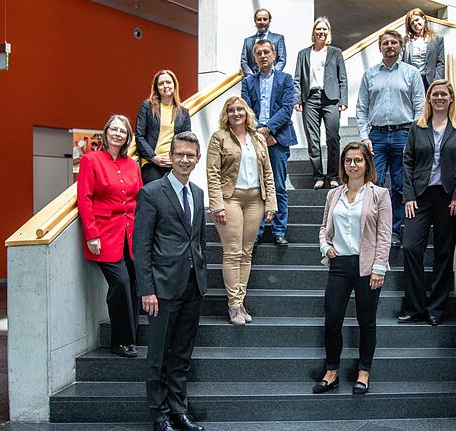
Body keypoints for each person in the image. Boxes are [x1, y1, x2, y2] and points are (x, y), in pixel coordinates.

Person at [133, 131, 207, 431]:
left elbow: (199, 239)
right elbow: (141, 246)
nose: (185, 159)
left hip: (192, 286)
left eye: (190, 155)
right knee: (159, 355)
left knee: (181, 354)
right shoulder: (151, 192)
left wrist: (201, 274)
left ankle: (178, 410)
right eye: (180, 154)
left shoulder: (198, 193)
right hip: (162, 289)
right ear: (171, 157)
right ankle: (159, 415)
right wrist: (147, 289)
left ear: (197, 159)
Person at [314, 142, 392, 396]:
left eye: (358, 160)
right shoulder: (333, 194)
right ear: (343, 164)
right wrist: (326, 247)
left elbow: (384, 234)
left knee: (366, 321)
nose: (353, 165)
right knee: (332, 319)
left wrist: (379, 267)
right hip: (339, 264)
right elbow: (324, 227)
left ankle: (364, 372)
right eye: (348, 160)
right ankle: (331, 371)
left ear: (367, 163)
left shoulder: (379, 194)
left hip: (367, 266)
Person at [400, 79, 456, 326]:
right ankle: (415, 307)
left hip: (448, 197)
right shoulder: (417, 127)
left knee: (444, 252)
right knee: (411, 248)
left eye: (444, 94)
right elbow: (407, 163)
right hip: (420, 197)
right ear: (429, 98)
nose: (440, 97)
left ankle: (437, 308)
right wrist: (409, 196)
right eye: (435, 94)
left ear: (451, 97)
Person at [76, 114, 143, 358]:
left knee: (135, 284)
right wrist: (91, 235)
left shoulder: (133, 164)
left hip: (132, 233)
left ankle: (132, 336)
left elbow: (140, 199)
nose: (117, 134)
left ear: (127, 137)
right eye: (113, 129)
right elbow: (84, 198)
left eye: (122, 131)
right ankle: (121, 340)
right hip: (104, 235)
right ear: (105, 133)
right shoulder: (90, 160)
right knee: (121, 283)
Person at [207, 96, 277, 326]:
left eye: (240, 109)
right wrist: (216, 204)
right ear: (226, 114)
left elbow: (268, 172)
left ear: (247, 112)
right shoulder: (219, 138)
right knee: (233, 251)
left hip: (256, 199)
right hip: (230, 199)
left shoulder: (258, 138)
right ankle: (234, 305)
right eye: (231, 110)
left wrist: (272, 203)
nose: (236, 113)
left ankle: (240, 301)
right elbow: (213, 173)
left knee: (246, 252)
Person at [356, 29, 424, 247]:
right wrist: (364, 136)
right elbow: (361, 108)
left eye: (394, 42)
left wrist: (413, 137)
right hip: (376, 136)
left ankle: (393, 231)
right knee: (372, 184)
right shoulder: (370, 74)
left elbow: (420, 107)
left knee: (399, 186)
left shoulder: (411, 73)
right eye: (385, 43)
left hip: (403, 134)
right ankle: (371, 230)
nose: (390, 46)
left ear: (400, 46)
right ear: (380, 47)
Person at [241, 38, 297, 247]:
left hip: (278, 139)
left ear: (274, 55)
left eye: (267, 52)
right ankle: (257, 231)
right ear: (254, 58)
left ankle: (279, 231)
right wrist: (259, 133)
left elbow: (287, 108)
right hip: (254, 140)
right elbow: (245, 110)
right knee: (256, 187)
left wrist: (269, 129)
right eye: (259, 53)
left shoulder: (286, 79)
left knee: (279, 187)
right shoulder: (247, 82)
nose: (263, 56)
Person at [294, 16, 348, 190]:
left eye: (325, 29)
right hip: (310, 98)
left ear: (328, 32)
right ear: (313, 32)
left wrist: (343, 99)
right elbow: (297, 79)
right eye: (318, 29)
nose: (321, 32)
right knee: (313, 139)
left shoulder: (335, 52)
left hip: (331, 99)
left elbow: (343, 78)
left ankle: (333, 175)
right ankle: (318, 175)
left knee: (333, 137)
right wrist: (297, 99)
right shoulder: (303, 54)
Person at [135, 69, 192, 184]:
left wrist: (175, 159)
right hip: (151, 163)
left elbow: (186, 140)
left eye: (168, 82)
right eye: (161, 83)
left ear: (174, 85)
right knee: (156, 197)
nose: (165, 86)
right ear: (156, 87)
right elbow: (139, 136)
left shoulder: (184, 112)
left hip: (175, 164)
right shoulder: (147, 107)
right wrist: (154, 157)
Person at [402, 8, 445, 90]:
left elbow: (440, 63)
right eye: (412, 23)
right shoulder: (406, 41)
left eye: (417, 20)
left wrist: (437, 83)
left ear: (424, 19)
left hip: (430, 81)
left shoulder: (437, 39)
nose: (415, 23)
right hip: (411, 81)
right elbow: (402, 62)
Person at [240, 8, 287, 76]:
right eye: (259, 19)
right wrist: (252, 77)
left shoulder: (278, 39)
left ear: (269, 21)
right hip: (252, 82)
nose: (262, 22)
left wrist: (272, 75)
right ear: (255, 21)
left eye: (265, 19)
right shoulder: (248, 41)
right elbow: (244, 62)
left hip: (272, 80)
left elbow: (282, 60)